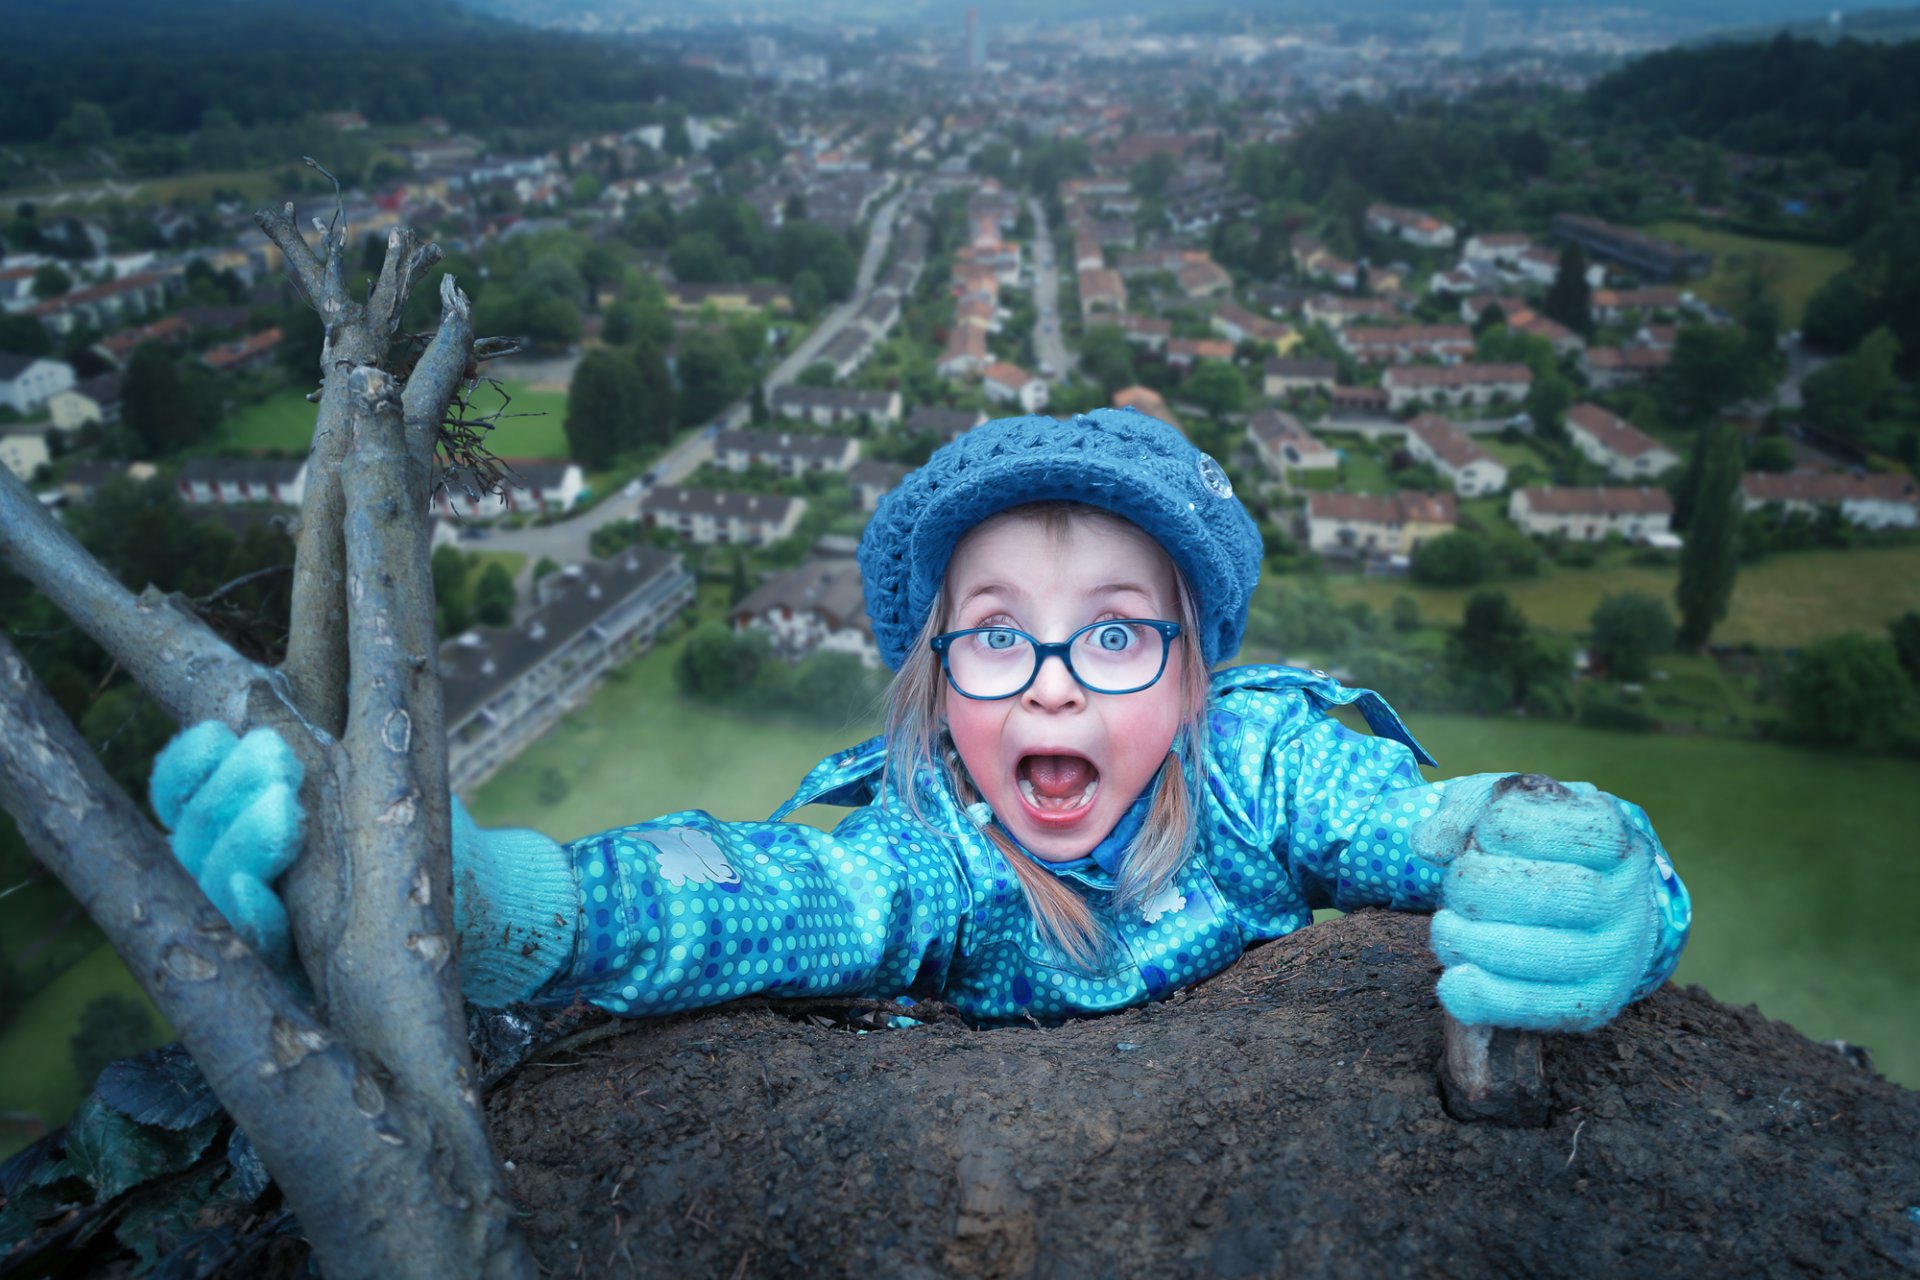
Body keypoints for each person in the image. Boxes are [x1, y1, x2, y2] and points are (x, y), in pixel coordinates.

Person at [151, 409, 1690, 1031]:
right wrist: (484, 906)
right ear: (941, 692)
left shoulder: (1259, 767)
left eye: (1115, 635)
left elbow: (1422, 819)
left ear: (1195, 677)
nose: (1059, 683)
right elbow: (758, 895)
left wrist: (1571, 857)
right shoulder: (936, 858)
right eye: (999, 640)